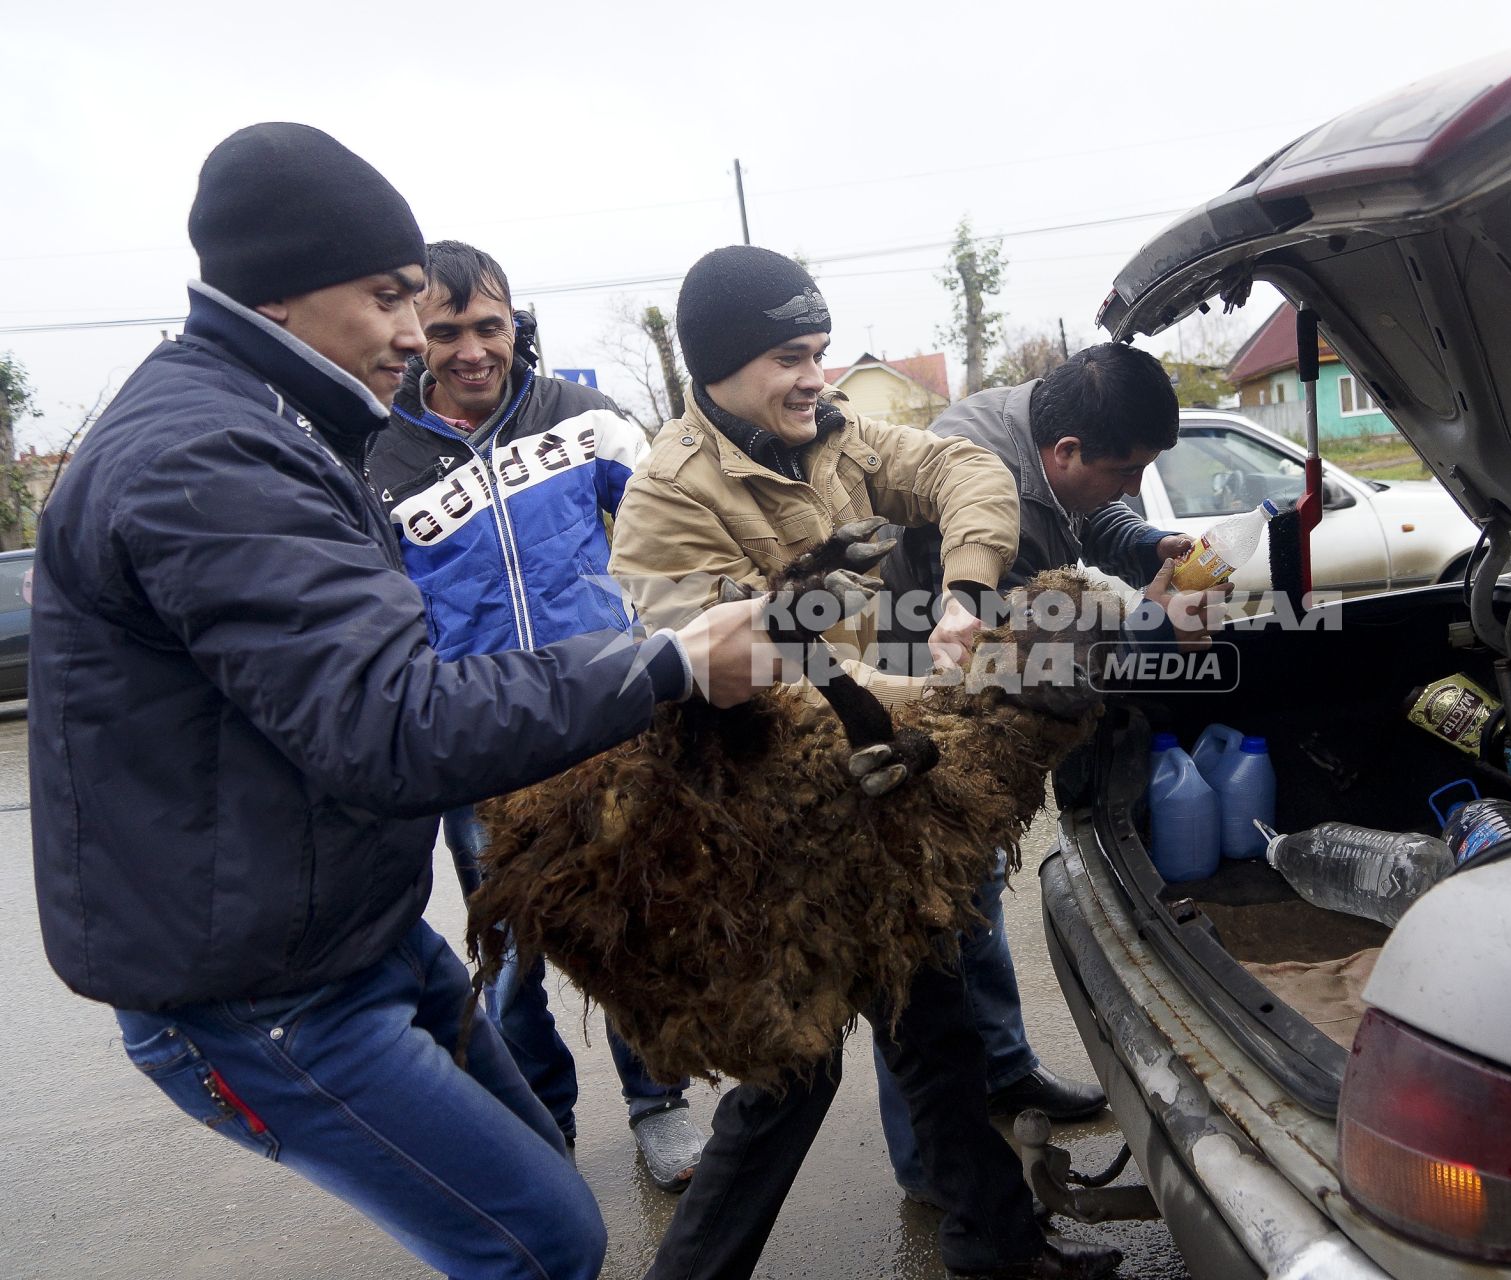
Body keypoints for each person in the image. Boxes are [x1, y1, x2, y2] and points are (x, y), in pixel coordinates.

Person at [28, 123, 764, 1280]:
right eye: (388, 298)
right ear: (279, 294)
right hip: (253, 998)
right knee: (539, 1238)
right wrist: (665, 665)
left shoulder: (277, 421)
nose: (418, 334)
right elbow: (391, 720)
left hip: (349, 937)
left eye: (425, 301)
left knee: (538, 1185)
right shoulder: (208, 459)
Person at [608, 244, 1121, 1280]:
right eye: (788, 356)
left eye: (820, 352)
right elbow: (740, 665)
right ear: (717, 362)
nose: (813, 377)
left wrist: (967, 591)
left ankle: (994, 1241)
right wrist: (921, 697)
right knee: (791, 1071)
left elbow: (961, 467)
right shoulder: (667, 498)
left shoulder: (833, 436)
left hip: (883, 782)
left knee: (932, 1021)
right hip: (781, 813)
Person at [365, 239, 703, 1191]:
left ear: (515, 324)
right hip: (476, 744)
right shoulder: (377, 462)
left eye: (490, 326)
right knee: (511, 955)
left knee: (634, 921)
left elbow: (669, 523)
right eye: (445, 332)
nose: (473, 350)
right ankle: (541, 1123)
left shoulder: (588, 419)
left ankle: (659, 1103)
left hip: (607, 721)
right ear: (416, 337)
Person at [875, 342, 1194, 1203]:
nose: (1132, 485)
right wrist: (1153, 635)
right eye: (1127, 471)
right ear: (1065, 453)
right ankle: (933, 1171)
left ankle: (1007, 1070)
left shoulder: (1048, 417)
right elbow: (1038, 657)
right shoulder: (996, 494)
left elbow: (1096, 519)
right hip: (921, 711)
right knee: (922, 928)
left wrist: (1154, 540)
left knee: (978, 897)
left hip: (971, 697)